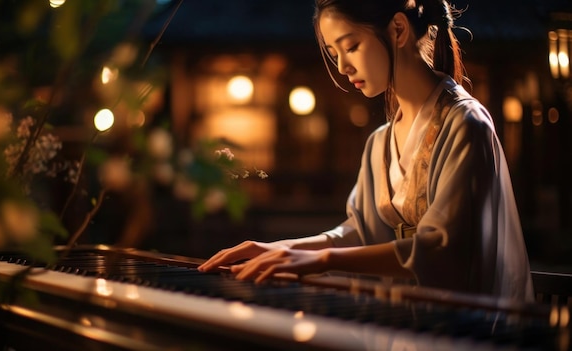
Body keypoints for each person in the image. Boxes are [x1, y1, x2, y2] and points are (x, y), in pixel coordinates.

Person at [198, 0, 534, 302]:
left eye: (351, 46)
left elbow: (443, 247)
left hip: (459, 325)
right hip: (403, 322)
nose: (343, 66)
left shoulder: (466, 124)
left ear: (398, 29)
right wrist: (282, 247)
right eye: (334, 54)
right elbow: (358, 232)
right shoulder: (379, 144)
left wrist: (322, 260)